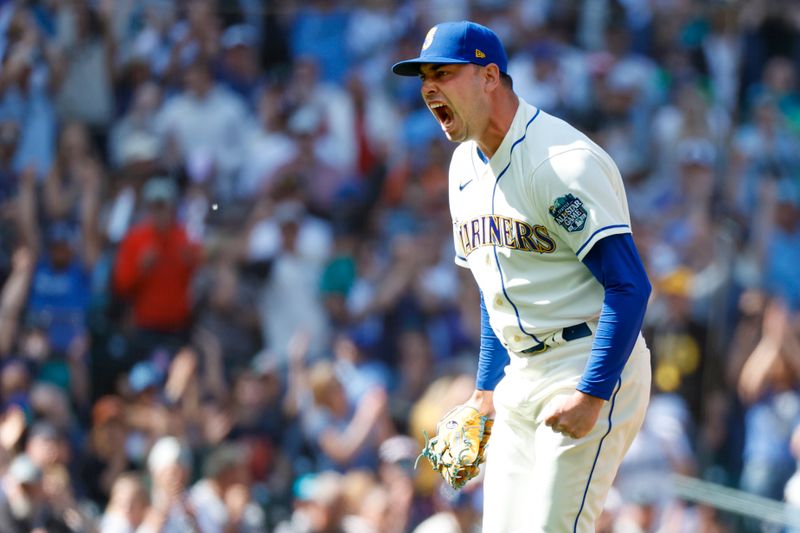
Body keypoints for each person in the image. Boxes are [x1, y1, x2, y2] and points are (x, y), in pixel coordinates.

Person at [392, 21, 652, 532]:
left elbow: (630, 285)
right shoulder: (462, 167)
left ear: (490, 75)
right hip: (519, 375)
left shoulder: (560, 162)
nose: (428, 88)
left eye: (443, 73)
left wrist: (593, 392)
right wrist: (486, 389)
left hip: (587, 358)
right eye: (423, 78)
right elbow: (495, 292)